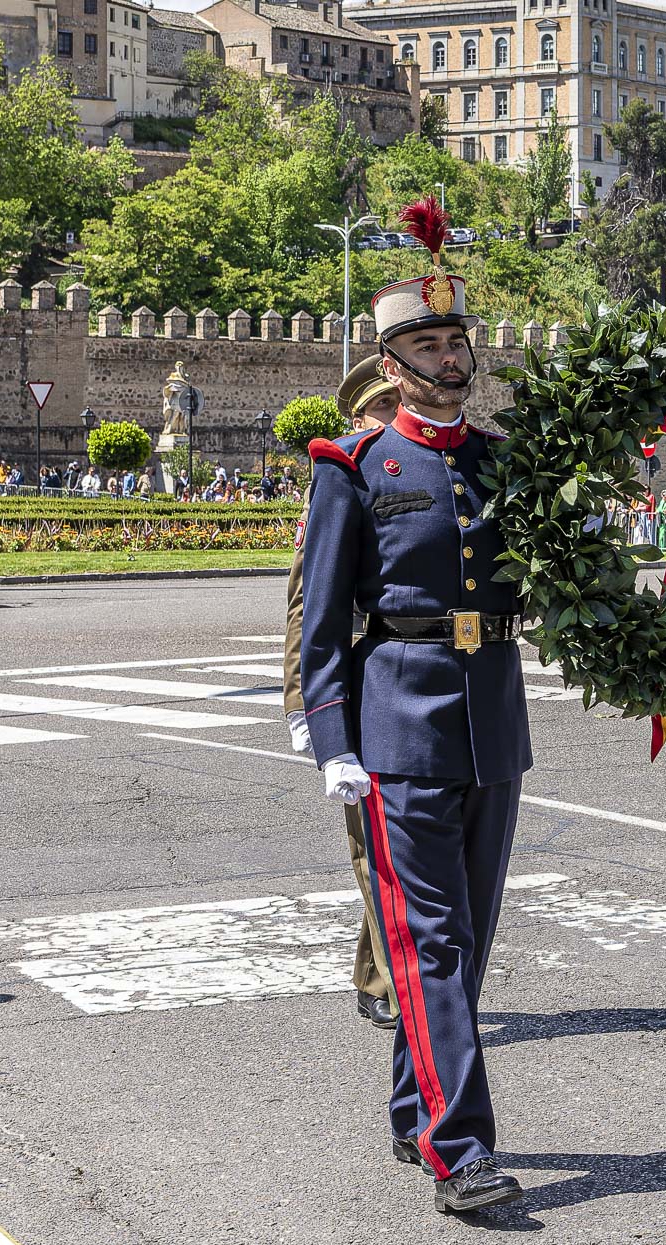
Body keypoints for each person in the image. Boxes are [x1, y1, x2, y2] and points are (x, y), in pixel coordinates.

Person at [297, 199, 532, 1213]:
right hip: (399, 723)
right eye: (425, 345)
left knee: (466, 941)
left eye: (454, 341)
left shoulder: (500, 462)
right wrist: (329, 734)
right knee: (430, 942)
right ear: (390, 366)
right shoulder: (356, 467)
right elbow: (321, 612)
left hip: (492, 721)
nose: (446, 357)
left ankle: (411, 1110)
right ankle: (459, 1145)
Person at [284, 355, 403, 1033]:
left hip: (402, 682)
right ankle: (397, 980)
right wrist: (303, 702)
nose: (394, 420)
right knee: (373, 843)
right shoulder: (342, 479)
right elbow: (308, 604)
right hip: (350, 686)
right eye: (381, 410)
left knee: (390, 845)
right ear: (358, 419)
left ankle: (375, 970)